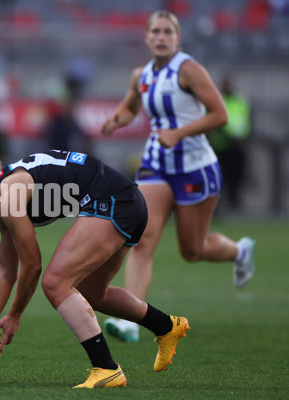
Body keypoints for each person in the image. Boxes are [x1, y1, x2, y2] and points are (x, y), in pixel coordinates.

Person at [0, 146, 190, 389]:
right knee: (93, 293)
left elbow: (32, 266)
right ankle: (167, 326)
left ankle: (106, 369)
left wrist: (16, 314)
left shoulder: (9, 195)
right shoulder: (4, 194)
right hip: (125, 201)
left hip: (113, 202)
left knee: (55, 282)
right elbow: (6, 270)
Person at [100, 10, 255, 343]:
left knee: (192, 249)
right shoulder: (141, 75)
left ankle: (239, 251)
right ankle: (130, 320)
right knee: (141, 238)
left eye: (167, 32)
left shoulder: (189, 69)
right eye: (155, 31)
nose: (160, 37)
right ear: (146, 37)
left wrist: (180, 133)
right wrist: (116, 119)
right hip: (156, 165)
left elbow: (221, 115)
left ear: (177, 38)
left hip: (195, 167)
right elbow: (131, 107)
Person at [209, 76, 251, 211]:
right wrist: (226, 135)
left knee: (237, 176)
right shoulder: (217, 100)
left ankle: (235, 206)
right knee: (221, 177)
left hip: (238, 146)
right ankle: (219, 208)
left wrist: (243, 138)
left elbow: (246, 121)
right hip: (221, 146)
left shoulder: (240, 101)